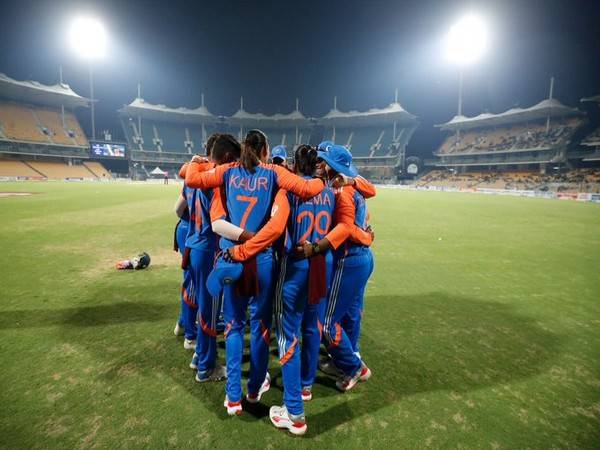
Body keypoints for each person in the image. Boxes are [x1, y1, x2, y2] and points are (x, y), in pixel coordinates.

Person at [185, 129, 327, 416]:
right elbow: (310, 190)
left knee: (235, 326)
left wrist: (195, 159)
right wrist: (325, 178)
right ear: (265, 151)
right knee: (261, 326)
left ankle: (233, 397)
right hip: (262, 259)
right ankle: (253, 390)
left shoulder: (226, 171)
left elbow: (191, 178)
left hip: (231, 258)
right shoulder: (274, 173)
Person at [298, 145, 375, 393]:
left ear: (330, 165)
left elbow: (346, 227)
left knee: (327, 323)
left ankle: (354, 367)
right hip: (362, 259)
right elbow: (369, 196)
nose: (319, 164)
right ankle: (344, 361)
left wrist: (363, 238)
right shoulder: (352, 183)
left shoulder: (340, 189)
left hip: (349, 259)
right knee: (350, 315)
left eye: (322, 161)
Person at [184, 134, 242, 382]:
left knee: (204, 309)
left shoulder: (194, 173)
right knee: (209, 312)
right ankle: (207, 368)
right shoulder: (216, 180)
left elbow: (179, 210)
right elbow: (219, 222)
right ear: (228, 158)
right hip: (209, 250)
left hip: (196, 245)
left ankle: (199, 356)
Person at [172, 177, 195, 342]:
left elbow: (178, 209)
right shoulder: (212, 176)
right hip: (194, 233)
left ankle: (182, 322)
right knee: (193, 285)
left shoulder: (194, 174)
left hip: (186, 229)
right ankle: (190, 335)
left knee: (190, 281)